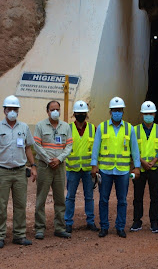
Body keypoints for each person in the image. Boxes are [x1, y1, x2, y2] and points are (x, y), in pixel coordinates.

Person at [0, 95, 37, 248]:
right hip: (2, 172)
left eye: (15, 109)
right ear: (4, 110)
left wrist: (33, 166)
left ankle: (19, 235)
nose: (12, 111)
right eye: (9, 109)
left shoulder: (24, 128)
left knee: (20, 205)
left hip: (20, 172)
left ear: (18, 110)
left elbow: (28, 148)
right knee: (0, 206)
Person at [90, 97, 140, 238]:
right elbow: (96, 147)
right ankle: (104, 227)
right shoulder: (102, 127)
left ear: (123, 111)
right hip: (105, 170)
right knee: (103, 200)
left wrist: (137, 167)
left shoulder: (129, 128)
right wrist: (94, 165)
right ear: (110, 112)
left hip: (123, 171)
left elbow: (135, 149)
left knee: (122, 200)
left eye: (119, 110)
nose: (117, 112)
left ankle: (120, 227)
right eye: (114, 110)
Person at [33, 100, 73, 240]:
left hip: (60, 166)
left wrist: (59, 159)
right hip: (45, 166)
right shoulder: (40, 126)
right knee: (41, 198)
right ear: (47, 111)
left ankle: (60, 227)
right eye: (52, 109)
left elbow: (69, 146)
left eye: (57, 109)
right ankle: (39, 228)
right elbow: (36, 144)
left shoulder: (66, 126)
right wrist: (48, 159)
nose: (55, 112)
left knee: (60, 198)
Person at [131, 101, 158, 234]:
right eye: (146, 114)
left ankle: (154, 222)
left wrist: (153, 162)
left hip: (155, 168)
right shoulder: (134, 130)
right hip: (139, 169)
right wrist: (142, 162)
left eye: (150, 113)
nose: (148, 116)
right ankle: (136, 221)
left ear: (155, 114)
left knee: (155, 197)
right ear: (141, 114)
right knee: (137, 196)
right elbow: (132, 149)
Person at [64, 100, 98, 233]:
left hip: (88, 169)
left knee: (89, 197)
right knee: (70, 197)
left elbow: (96, 149)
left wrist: (95, 166)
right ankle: (68, 222)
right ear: (74, 114)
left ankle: (90, 221)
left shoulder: (93, 129)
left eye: (83, 113)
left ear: (86, 114)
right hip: (72, 169)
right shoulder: (68, 129)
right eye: (78, 113)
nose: (81, 115)